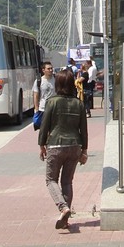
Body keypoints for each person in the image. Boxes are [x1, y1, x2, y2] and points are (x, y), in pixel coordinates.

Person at [38, 69, 88, 230]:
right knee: (67, 181)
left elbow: (44, 126)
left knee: (51, 180)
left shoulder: (52, 102)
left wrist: (41, 145)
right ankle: (65, 219)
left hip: (55, 144)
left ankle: (63, 207)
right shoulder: (78, 103)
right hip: (74, 146)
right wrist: (84, 150)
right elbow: (84, 129)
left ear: (58, 84)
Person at [32, 62, 56, 133]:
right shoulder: (39, 81)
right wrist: (36, 109)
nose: (51, 70)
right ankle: (43, 143)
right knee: (44, 129)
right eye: (48, 69)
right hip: (43, 109)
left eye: (51, 68)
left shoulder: (56, 79)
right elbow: (35, 95)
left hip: (54, 108)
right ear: (43, 70)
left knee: (54, 129)